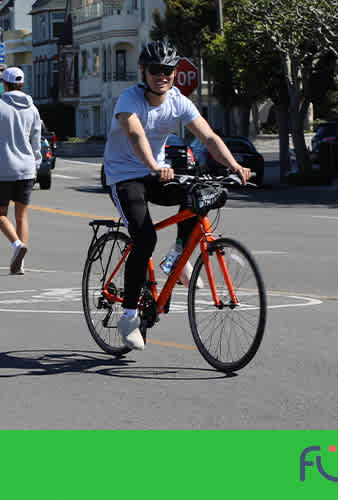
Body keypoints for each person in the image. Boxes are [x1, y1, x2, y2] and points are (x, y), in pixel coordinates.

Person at [103, 41, 251, 351]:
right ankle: (129, 317)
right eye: (155, 70)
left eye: (168, 71)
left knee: (200, 195)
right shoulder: (129, 99)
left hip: (156, 173)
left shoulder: (178, 101)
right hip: (124, 176)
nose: (162, 76)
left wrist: (235, 165)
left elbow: (208, 136)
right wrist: (155, 165)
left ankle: (178, 259)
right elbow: (135, 133)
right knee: (144, 238)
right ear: (144, 72)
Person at [0, 67, 42, 275]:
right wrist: (36, 165)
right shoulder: (32, 109)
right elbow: (36, 140)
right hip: (26, 167)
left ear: (4, 84)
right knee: (22, 216)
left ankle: (17, 245)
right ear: (22, 84)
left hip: (4, 167)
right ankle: (20, 263)